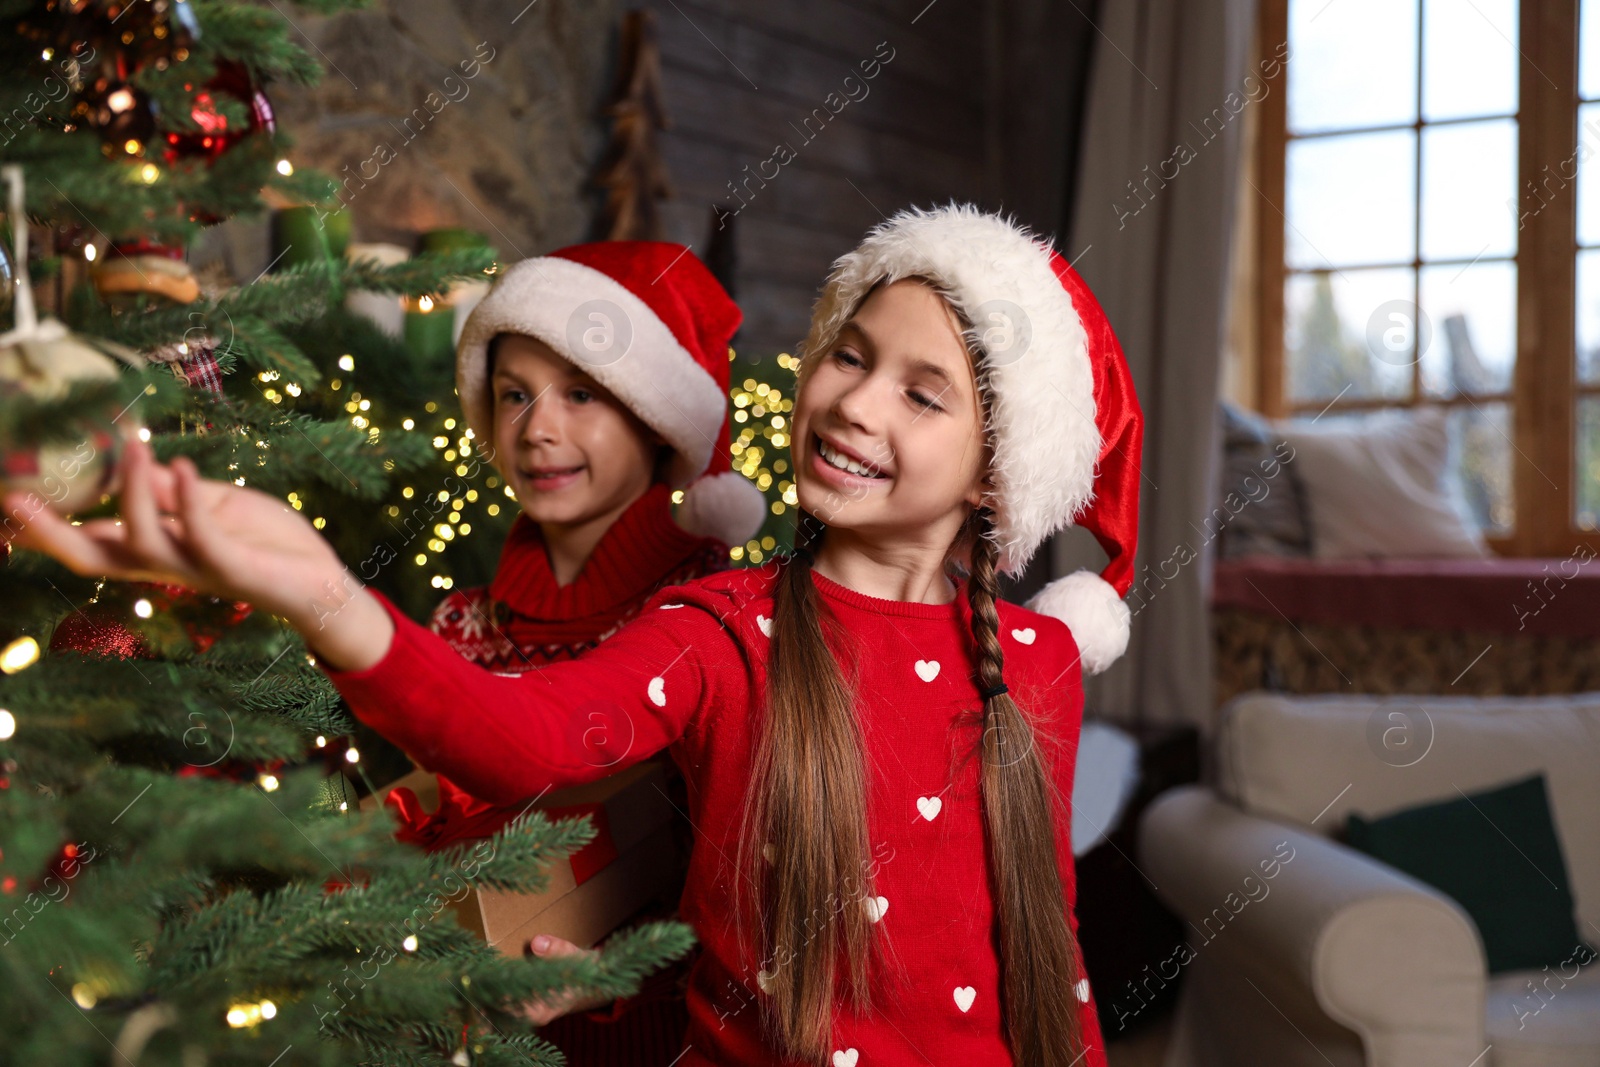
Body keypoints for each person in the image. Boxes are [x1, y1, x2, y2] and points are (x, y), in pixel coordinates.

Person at [8, 203, 1142, 1066]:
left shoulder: (1035, 664)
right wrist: (317, 588)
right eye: (850, 354)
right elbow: (527, 738)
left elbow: (1047, 956)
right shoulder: (721, 628)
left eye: (921, 392)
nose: (854, 403)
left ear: (1000, 474)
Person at [396, 241, 765, 1061]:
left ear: (658, 419)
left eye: (581, 393)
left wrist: (619, 972)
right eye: (514, 395)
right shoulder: (463, 626)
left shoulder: (709, 623)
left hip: (652, 1033)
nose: (539, 429)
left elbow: (757, 875)